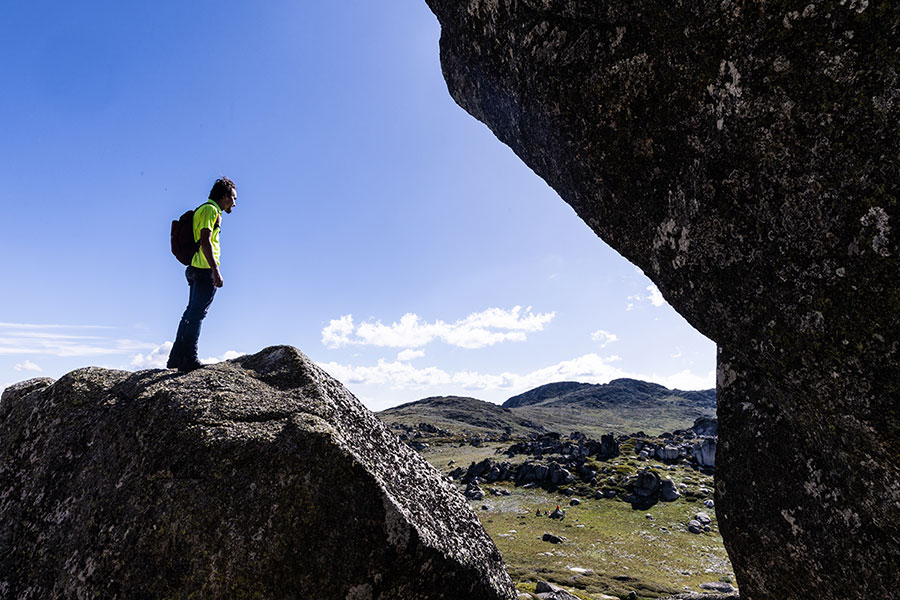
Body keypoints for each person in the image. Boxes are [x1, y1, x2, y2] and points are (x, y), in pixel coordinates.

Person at [166, 177, 237, 372]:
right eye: (233, 198)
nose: (234, 203)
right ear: (224, 196)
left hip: (194, 268)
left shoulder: (204, 209)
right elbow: (205, 240)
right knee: (197, 314)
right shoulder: (210, 210)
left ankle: (175, 359)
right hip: (203, 269)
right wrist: (215, 271)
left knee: (190, 313)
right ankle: (189, 358)